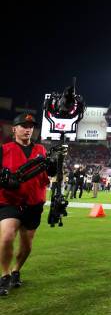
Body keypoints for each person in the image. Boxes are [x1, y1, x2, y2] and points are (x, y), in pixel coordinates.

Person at [0, 113, 56, 296]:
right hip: (9, 201)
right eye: (23, 125)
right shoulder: (4, 149)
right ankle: (5, 274)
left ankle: (16, 270)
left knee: (27, 245)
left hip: (33, 203)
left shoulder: (41, 150)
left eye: (31, 126)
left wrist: (55, 166)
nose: (28, 129)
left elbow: (49, 176)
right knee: (7, 236)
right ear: (14, 129)